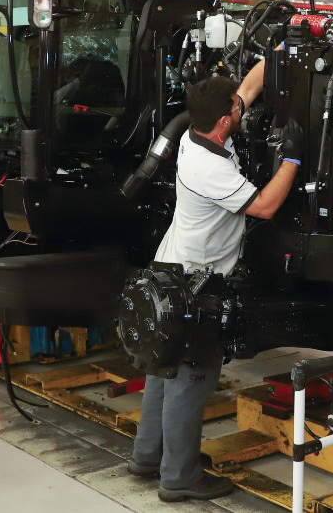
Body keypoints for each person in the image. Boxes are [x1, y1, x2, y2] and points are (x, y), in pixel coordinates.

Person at [129, 60, 302, 502]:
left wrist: (279, 49)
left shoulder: (196, 132)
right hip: (194, 283)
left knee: (161, 367)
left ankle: (148, 457)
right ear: (226, 121)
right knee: (191, 377)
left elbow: (246, 89)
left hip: (167, 268)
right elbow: (263, 207)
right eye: (236, 111)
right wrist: (293, 157)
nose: (241, 111)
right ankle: (179, 478)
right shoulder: (210, 169)